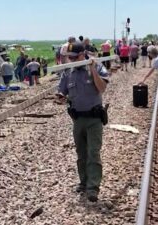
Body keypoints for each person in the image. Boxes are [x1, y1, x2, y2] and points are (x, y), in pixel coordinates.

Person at [57, 42, 109, 202]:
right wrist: (60, 97)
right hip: (77, 119)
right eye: (69, 57)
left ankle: (93, 187)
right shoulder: (68, 72)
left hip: (94, 118)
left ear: (83, 54)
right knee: (81, 153)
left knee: (93, 152)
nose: (72, 60)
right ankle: (83, 182)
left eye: (75, 57)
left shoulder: (97, 67)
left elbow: (101, 88)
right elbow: (62, 91)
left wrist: (93, 69)